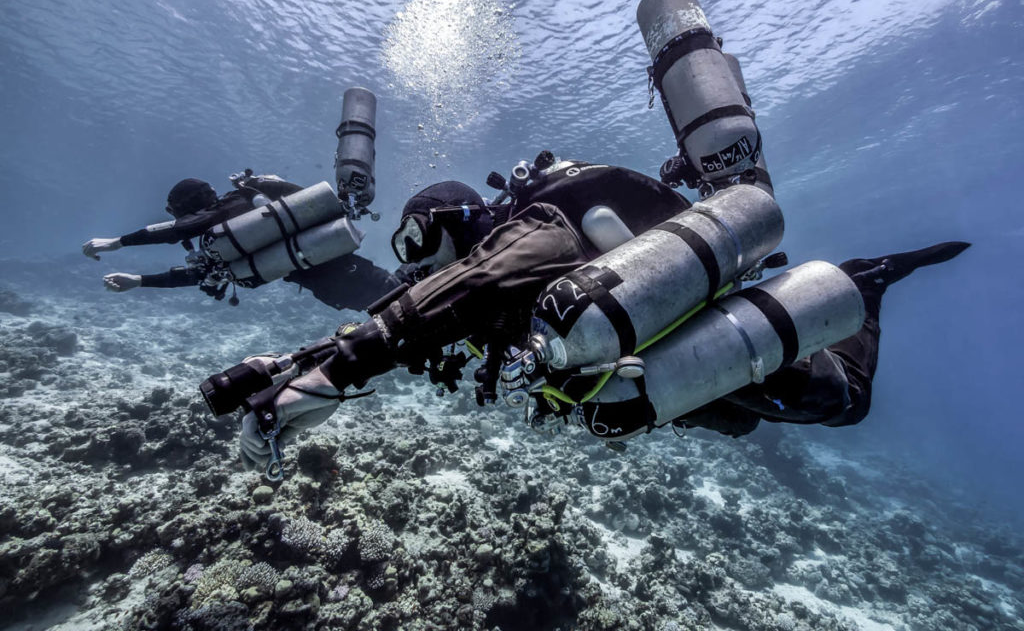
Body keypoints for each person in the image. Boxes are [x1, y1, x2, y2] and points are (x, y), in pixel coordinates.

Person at [231, 153, 969, 470]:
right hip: (650, 359)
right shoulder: (486, 269)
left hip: (679, 331)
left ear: (459, 219)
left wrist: (334, 375)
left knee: (843, 400)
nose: (422, 265)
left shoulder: (538, 227)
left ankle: (864, 284)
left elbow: (475, 289)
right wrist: (299, 363)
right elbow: (421, 313)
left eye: (423, 243)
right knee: (745, 415)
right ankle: (837, 285)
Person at [83, 174, 399, 312]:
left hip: (337, 281)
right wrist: (138, 281)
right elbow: (202, 273)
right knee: (401, 298)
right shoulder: (237, 218)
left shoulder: (228, 214)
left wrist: (118, 244)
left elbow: (176, 233)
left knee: (407, 303)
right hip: (343, 272)